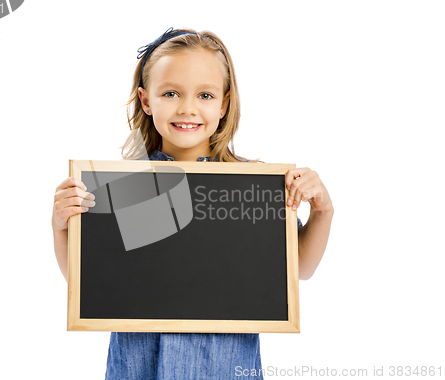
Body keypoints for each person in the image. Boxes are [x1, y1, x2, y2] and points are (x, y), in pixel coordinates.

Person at [51, 27, 334, 380]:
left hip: (225, 367)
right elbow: (90, 284)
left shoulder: (254, 187)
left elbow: (301, 269)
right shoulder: (121, 186)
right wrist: (62, 226)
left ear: (224, 103)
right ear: (145, 100)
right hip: (139, 367)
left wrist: (322, 212)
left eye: (205, 95)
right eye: (171, 93)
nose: (188, 108)